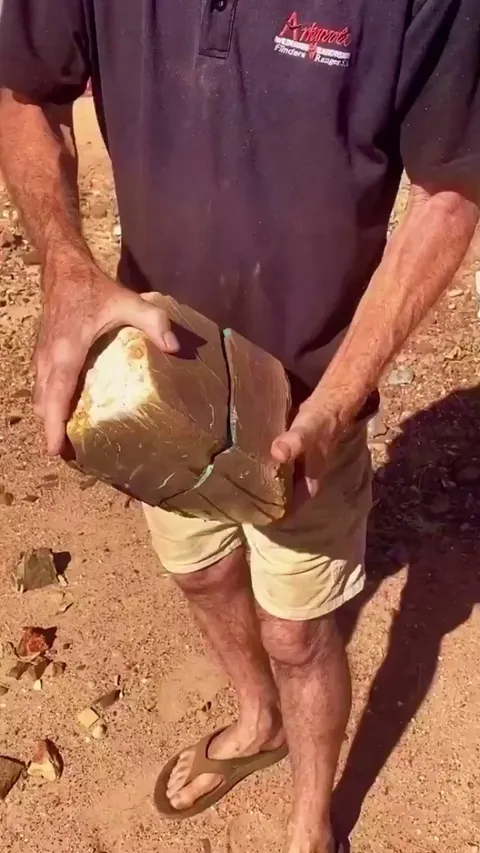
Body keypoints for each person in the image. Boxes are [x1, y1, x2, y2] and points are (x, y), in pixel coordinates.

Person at [0, 2, 479, 851]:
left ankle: (310, 814)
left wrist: (338, 399)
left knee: (297, 631)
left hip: (310, 398)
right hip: (156, 370)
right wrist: (66, 266)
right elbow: (25, 92)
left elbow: (450, 192)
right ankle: (257, 719)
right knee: (201, 574)